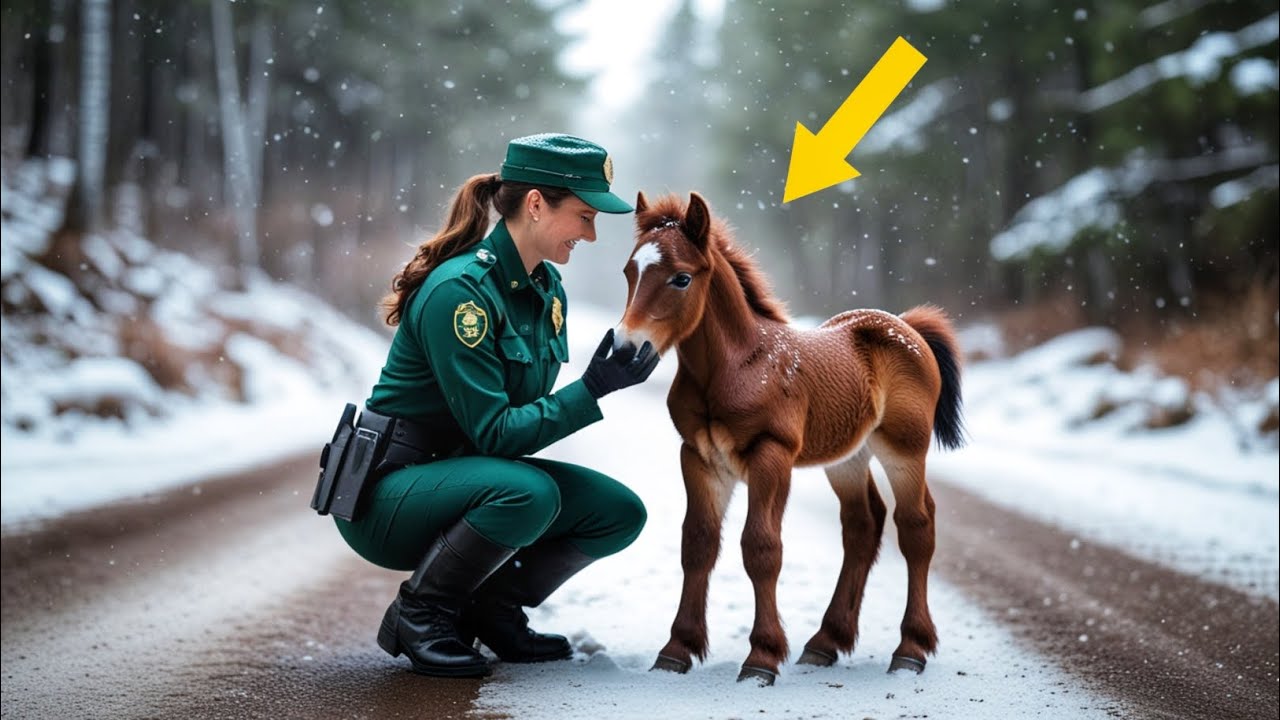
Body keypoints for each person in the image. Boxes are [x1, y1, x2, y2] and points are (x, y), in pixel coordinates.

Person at [329, 133, 660, 679]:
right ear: (536, 204)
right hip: (387, 497)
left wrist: (600, 383)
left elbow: (511, 426)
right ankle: (420, 614)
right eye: (584, 216)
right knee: (528, 492)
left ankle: (492, 608)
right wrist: (591, 390)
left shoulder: (546, 290)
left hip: (464, 479)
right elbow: (496, 434)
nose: (591, 233)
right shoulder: (460, 293)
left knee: (617, 512)